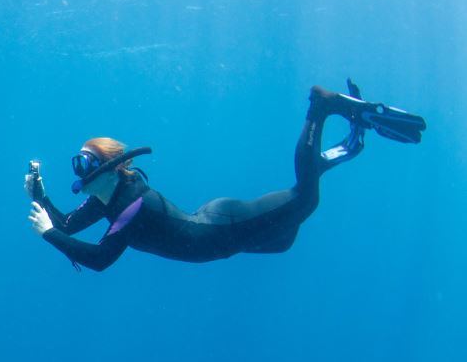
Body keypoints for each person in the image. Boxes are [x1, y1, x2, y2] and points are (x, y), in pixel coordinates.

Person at [26, 82, 426, 271]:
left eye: (83, 162)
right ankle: (330, 155)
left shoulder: (133, 207)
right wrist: (41, 196)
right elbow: (65, 225)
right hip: (218, 230)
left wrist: (47, 234)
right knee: (285, 239)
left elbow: (98, 259)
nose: (77, 172)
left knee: (305, 201)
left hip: (224, 227)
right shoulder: (105, 198)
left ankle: (322, 107)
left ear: (110, 168)